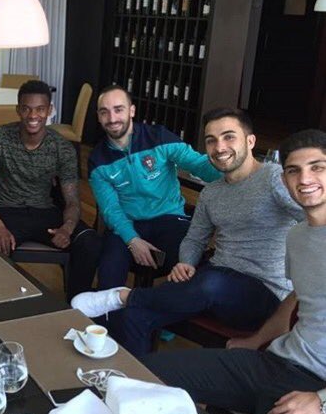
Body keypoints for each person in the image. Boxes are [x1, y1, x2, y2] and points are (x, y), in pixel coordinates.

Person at [143, 129, 326, 414]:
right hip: (275, 364)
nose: (305, 179)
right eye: (294, 170)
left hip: (316, 391)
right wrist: (255, 340)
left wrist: (320, 403)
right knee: (145, 373)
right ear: (284, 179)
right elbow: (297, 298)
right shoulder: (298, 236)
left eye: (317, 167)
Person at [72, 108, 303, 355]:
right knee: (134, 316)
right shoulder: (211, 192)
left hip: (264, 292)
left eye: (229, 137)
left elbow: (313, 218)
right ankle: (133, 376)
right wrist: (186, 263)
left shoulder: (274, 178)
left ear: (250, 141)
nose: (219, 147)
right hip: (214, 279)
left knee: (210, 282)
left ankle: (124, 296)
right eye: (211, 140)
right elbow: (194, 238)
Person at [0, 80, 100, 298]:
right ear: (18, 110)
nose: (33, 115)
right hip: (5, 212)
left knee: (89, 242)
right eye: (26, 109)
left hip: (45, 212)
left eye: (40, 109)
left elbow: (72, 200)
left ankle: (77, 305)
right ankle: (2, 305)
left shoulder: (62, 148)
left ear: (49, 110)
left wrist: (67, 228)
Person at [89, 85, 220, 288]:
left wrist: (233, 169)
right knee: (109, 272)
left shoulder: (159, 137)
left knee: (191, 268)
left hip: (169, 218)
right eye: (104, 112)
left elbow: (198, 165)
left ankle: (155, 304)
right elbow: (111, 210)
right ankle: (112, 309)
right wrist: (133, 240)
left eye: (118, 109)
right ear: (98, 116)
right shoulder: (98, 160)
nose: (112, 118)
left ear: (132, 111)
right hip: (128, 223)